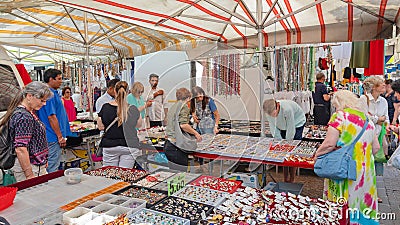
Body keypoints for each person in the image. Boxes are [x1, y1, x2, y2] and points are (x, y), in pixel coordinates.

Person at [315, 90, 379, 225]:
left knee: (343, 203)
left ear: (338, 104)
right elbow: (376, 148)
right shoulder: (367, 119)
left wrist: (317, 154)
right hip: (365, 171)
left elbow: (329, 144)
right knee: (361, 201)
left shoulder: (340, 117)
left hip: (345, 168)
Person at [0, 82, 53, 181]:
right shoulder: (24, 116)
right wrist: (29, 175)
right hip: (30, 168)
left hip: (34, 165)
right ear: (29, 96)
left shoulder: (25, 113)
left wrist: (42, 159)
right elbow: (20, 149)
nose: (44, 104)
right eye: (42, 100)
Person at [97, 81, 142, 168]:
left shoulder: (105, 107)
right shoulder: (133, 109)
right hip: (129, 145)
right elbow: (138, 125)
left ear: (114, 91)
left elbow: (100, 127)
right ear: (128, 92)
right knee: (125, 175)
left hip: (110, 145)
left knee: (109, 176)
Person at [263, 99, 306, 183]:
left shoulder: (287, 109)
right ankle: (285, 178)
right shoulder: (268, 113)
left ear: (278, 106)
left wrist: (288, 144)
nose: (273, 116)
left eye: (274, 113)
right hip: (282, 126)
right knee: (283, 152)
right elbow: (274, 128)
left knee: (292, 152)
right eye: (271, 114)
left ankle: (292, 178)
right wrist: (280, 143)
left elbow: (291, 129)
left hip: (297, 123)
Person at [37, 69, 71, 173]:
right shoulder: (49, 94)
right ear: (51, 79)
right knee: (52, 167)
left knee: (51, 165)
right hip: (52, 137)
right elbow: (51, 117)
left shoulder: (51, 93)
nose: (61, 81)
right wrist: (60, 136)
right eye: (59, 79)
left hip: (50, 136)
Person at [165, 88, 202, 171]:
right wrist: (196, 133)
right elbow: (183, 125)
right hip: (176, 147)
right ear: (188, 98)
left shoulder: (173, 106)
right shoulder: (183, 106)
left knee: (174, 175)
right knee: (180, 176)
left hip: (169, 144)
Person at [360, 76, 389, 176]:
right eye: (381, 83)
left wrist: (376, 119)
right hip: (366, 136)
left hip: (379, 134)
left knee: (378, 163)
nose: (384, 85)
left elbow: (385, 119)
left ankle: (375, 186)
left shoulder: (383, 101)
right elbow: (363, 118)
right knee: (366, 164)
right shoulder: (363, 99)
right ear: (374, 87)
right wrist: (378, 119)